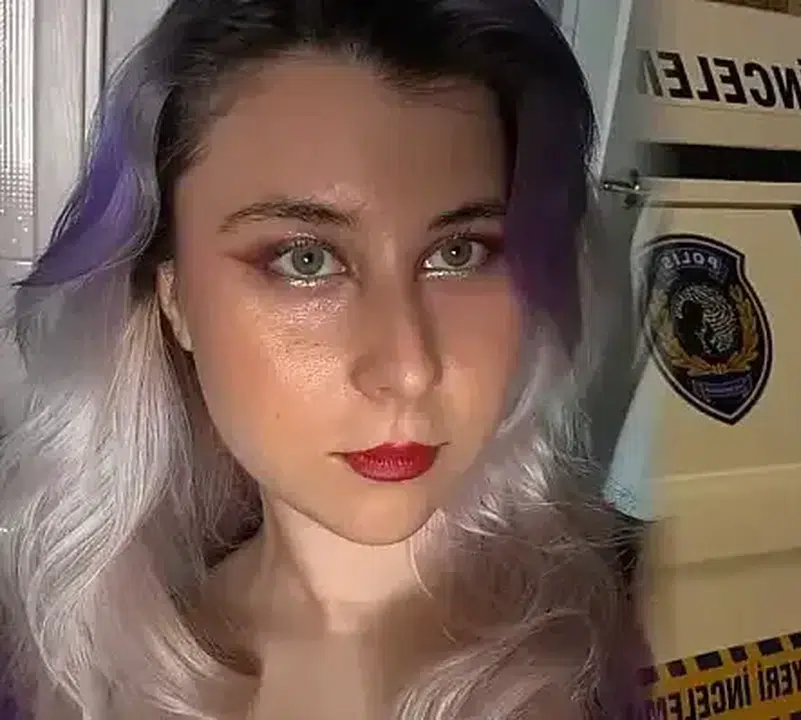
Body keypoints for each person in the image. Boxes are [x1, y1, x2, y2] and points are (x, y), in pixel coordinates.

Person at [0, 0, 650, 717]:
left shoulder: (622, 650)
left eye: (458, 253)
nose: (408, 368)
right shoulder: (68, 678)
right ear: (174, 298)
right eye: (305, 260)